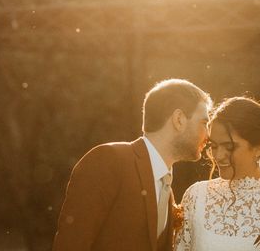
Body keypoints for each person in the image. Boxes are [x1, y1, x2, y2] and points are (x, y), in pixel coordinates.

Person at [53, 79, 212, 251]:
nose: (209, 134)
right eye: (204, 123)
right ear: (179, 119)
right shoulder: (109, 161)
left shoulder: (167, 189)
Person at [175, 96, 260, 251]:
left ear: (259, 147)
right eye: (214, 145)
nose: (218, 155)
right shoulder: (196, 196)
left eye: (229, 147)